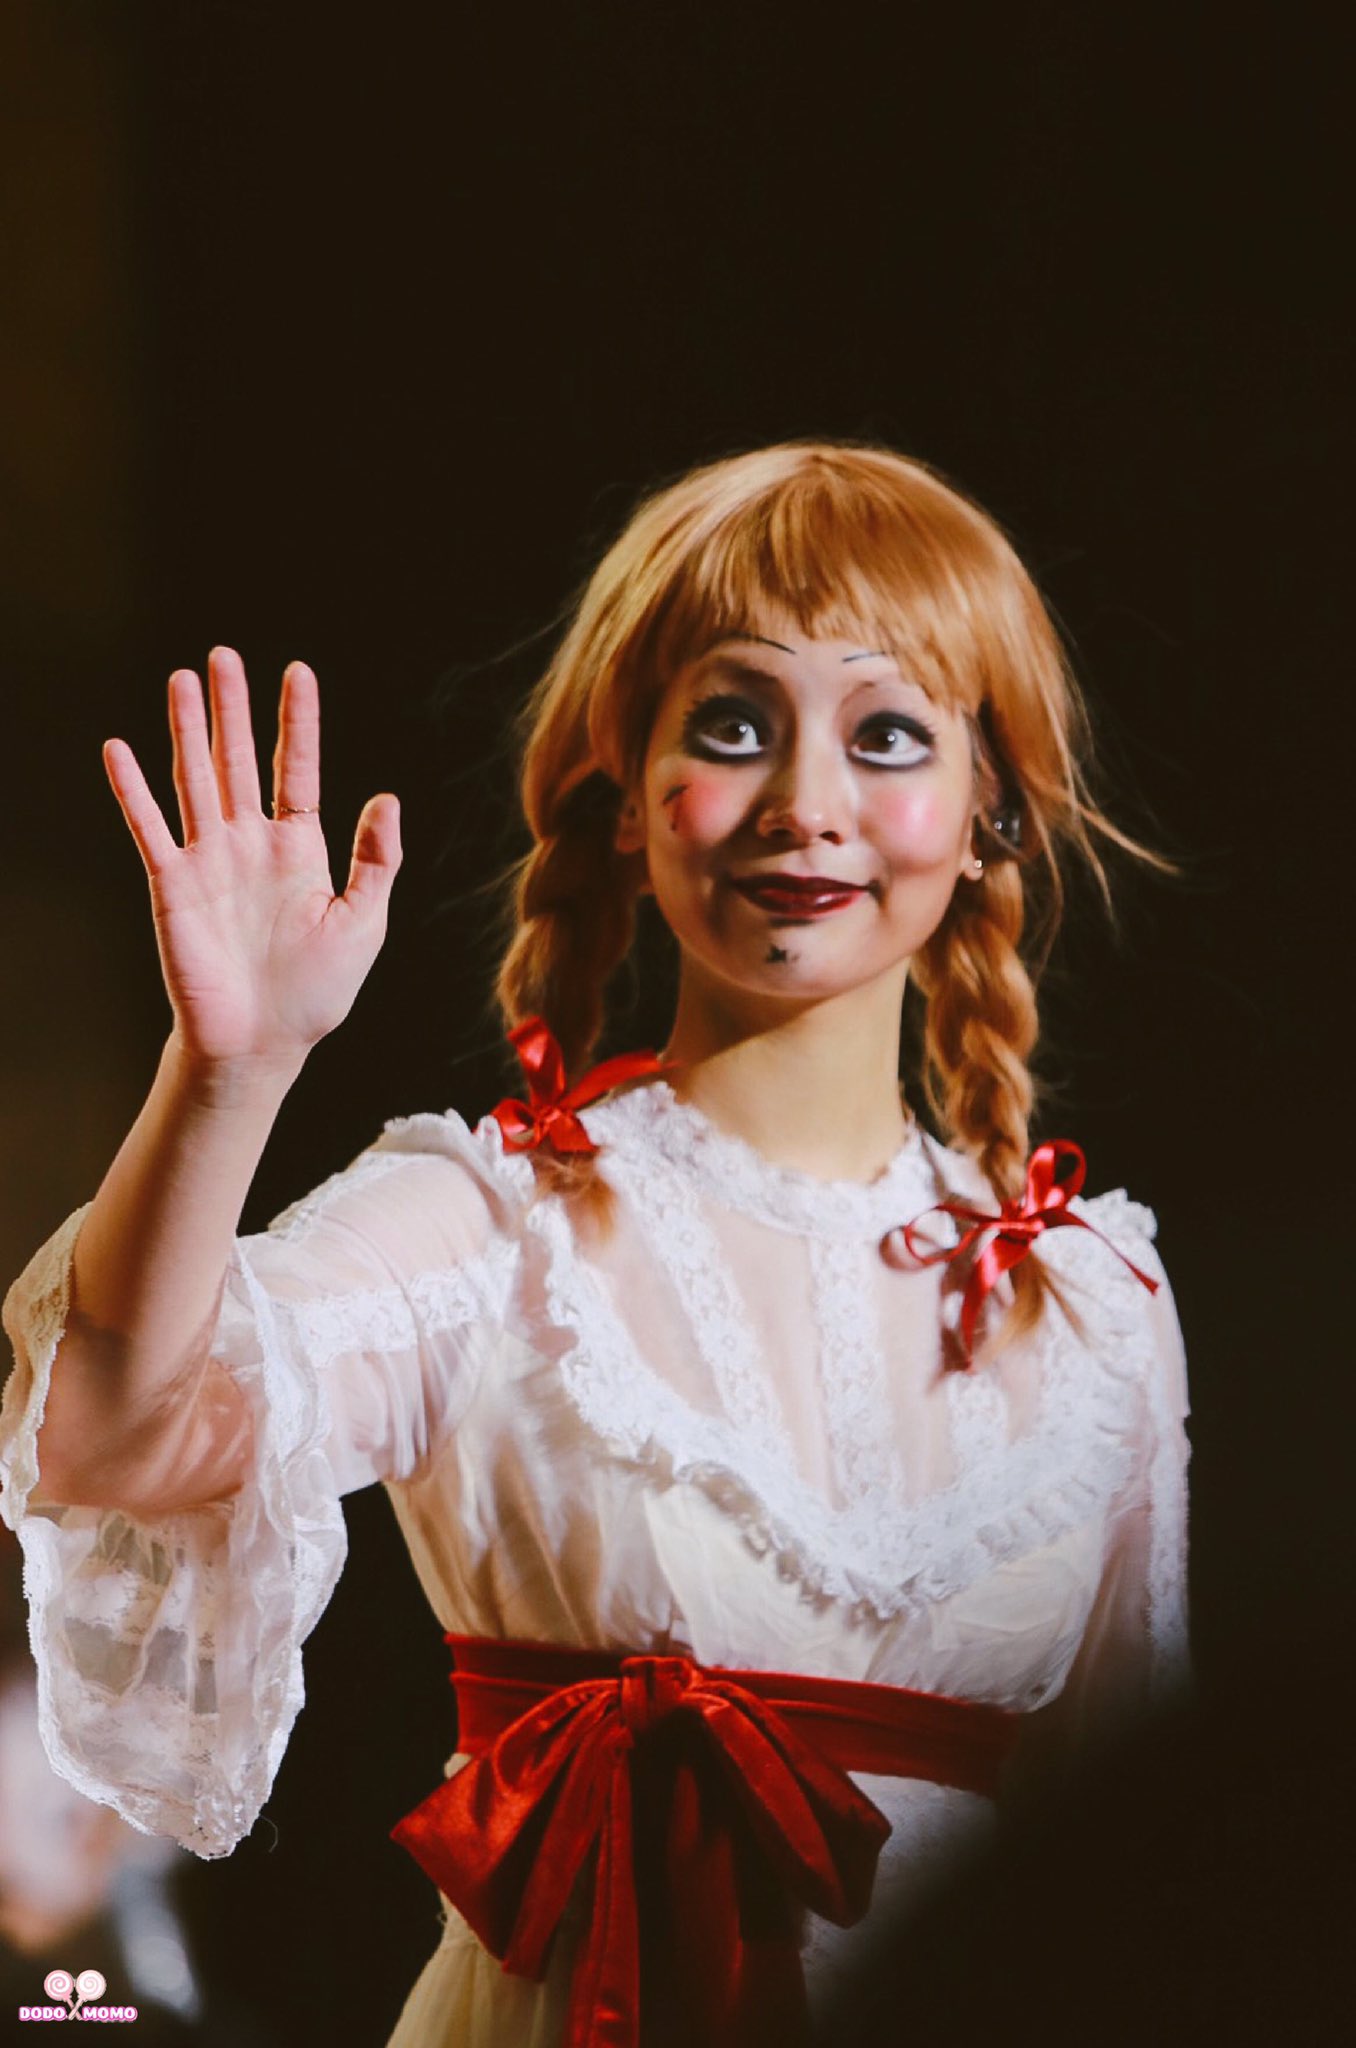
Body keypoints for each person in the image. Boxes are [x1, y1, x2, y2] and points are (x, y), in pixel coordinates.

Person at [0, 441, 1190, 2047]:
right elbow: (109, 1433)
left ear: (992, 809)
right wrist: (230, 1074)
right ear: (627, 798)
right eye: (734, 725)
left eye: (887, 734)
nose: (807, 805)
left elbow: (1139, 1869)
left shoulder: (1092, 1301)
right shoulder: (491, 1225)